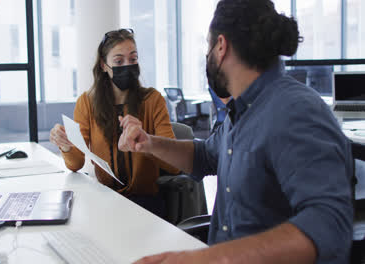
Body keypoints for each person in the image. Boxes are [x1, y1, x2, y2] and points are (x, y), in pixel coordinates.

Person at [120, 0, 354, 263]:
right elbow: (204, 156)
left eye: (207, 47)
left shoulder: (295, 111)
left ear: (221, 46)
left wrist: (206, 259)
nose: (207, 57)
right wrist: (149, 143)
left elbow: (330, 226)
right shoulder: (242, 110)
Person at [50, 28, 179, 218]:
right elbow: (76, 164)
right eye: (119, 61)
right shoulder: (87, 103)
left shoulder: (153, 100)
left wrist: (146, 142)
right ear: (103, 65)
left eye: (133, 59)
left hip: (146, 204)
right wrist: (66, 145)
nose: (128, 65)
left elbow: (174, 165)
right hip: (105, 200)